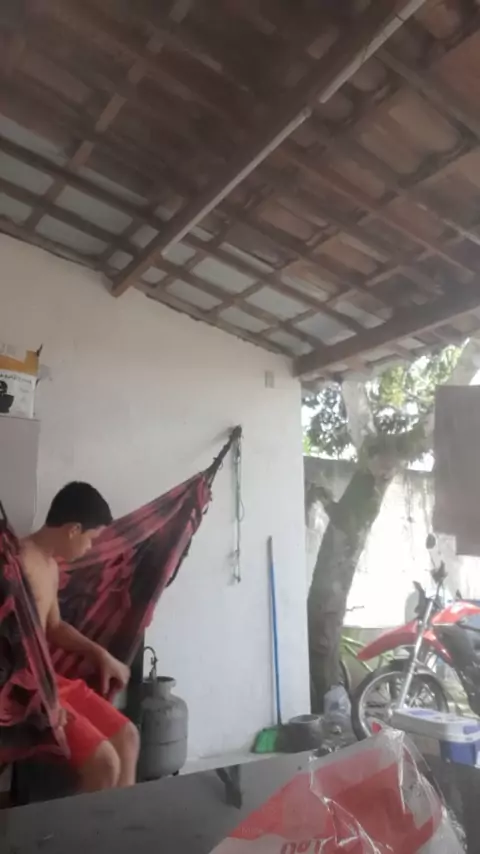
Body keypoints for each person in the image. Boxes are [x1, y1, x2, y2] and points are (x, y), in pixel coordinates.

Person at [20, 482, 140, 793]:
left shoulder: (50, 566)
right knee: (106, 764)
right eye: (91, 539)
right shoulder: (17, 563)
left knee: (128, 738)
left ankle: (121, 823)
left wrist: (100, 654)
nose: (89, 548)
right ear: (74, 530)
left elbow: (54, 627)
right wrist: (44, 701)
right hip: (24, 689)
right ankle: (88, 827)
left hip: (49, 679)